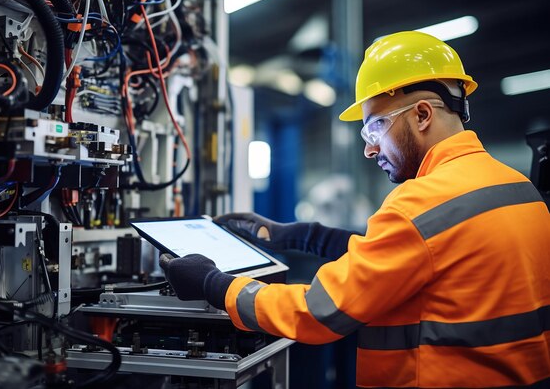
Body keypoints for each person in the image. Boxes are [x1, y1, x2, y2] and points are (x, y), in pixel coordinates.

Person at [159, 31, 550, 387]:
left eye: (376, 127)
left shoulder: (421, 202)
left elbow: (318, 312)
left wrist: (214, 284)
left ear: (423, 115)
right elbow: (425, 258)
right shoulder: (518, 188)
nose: (369, 148)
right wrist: (300, 235)